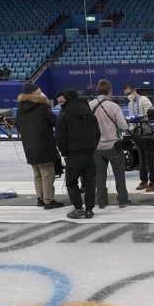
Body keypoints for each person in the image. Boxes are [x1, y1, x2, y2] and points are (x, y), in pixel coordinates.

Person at [14, 81, 63, 209]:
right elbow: (55, 122)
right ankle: (49, 200)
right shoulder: (42, 107)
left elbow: (18, 127)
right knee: (47, 174)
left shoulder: (20, 110)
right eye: (39, 90)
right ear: (34, 93)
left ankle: (40, 198)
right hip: (44, 146)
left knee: (37, 174)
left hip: (29, 147)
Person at [56, 89, 101, 219]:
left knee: (71, 182)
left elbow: (59, 137)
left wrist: (65, 152)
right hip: (90, 154)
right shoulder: (90, 114)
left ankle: (78, 208)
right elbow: (97, 134)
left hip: (73, 155)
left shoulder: (63, 115)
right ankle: (89, 210)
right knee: (90, 183)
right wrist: (92, 147)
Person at [89, 79, 131, 208]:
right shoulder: (114, 106)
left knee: (99, 176)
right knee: (119, 175)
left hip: (96, 147)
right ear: (109, 91)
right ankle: (123, 201)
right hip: (113, 145)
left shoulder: (90, 105)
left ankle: (101, 202)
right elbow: (123, 126)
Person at [123, 82, 154, 192]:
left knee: (151, 159)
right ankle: (144, 181)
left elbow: (150, 115)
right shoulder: (130, 104)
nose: (128, 95)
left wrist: (140, 118)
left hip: (148, 133)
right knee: (141, 159)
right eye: (126, 93)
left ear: (134, 90)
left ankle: (153, 182)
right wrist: (132, 129)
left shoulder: (144, 100)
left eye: (129, 92)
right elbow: (131, 119)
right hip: (137, 134)